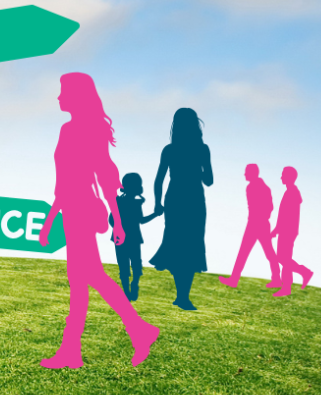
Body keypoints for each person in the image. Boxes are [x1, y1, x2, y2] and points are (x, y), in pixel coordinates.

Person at [38, 72, 158, 369]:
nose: (58, 97)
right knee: (87, 279)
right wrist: (52, 218)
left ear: (76, 95)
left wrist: (117, 221)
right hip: (73, 211)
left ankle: (129, 333)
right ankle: (133, 332)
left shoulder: (79, 130)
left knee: (85, 280)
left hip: (79, 213)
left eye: (63, 91)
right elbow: (67, 182)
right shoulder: (73, 129)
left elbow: (102, 177)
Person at [149, 108, 213, 311]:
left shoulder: (169, 149)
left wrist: (157, 203)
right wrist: (198, 170)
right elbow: (209, 180)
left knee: (176, 243)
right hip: (194, 199)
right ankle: (183, 296)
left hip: (175, 198)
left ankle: (181, 295)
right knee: (191, 244)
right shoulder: (202, 149)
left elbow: (159, 180)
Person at [220, 164, 280, 289]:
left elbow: (270, 207)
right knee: (243, 252)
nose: (245, 174)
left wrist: (261, 218)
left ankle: (277, 279)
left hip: (260, 224)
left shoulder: (262, 187)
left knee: (268, 252)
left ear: (253, 173)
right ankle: (234, 279)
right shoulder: (250, 187)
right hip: (252, 223)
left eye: (246, 172)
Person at [109, 173, 161, 301]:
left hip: (121, 238)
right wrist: (155, 214)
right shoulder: (131, 202)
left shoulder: (121, 201)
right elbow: (141, 220)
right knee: (133, 263)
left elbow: (111, 219)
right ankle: (131, 288)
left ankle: (129, 289)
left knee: (126, 264)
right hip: (130, 237)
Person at [271, 166, 314, 297]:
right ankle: (301, 274)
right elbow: (283, 215)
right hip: (286, 230)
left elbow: (289, 215)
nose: (281, 177)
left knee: (284, 258)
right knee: (283, 258)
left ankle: (291, 283)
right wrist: (277, 229)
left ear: (289, 177)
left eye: (283, 175)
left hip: (288, 231)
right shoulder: (290, 192)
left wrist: (280, 230)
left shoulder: (292, 193)